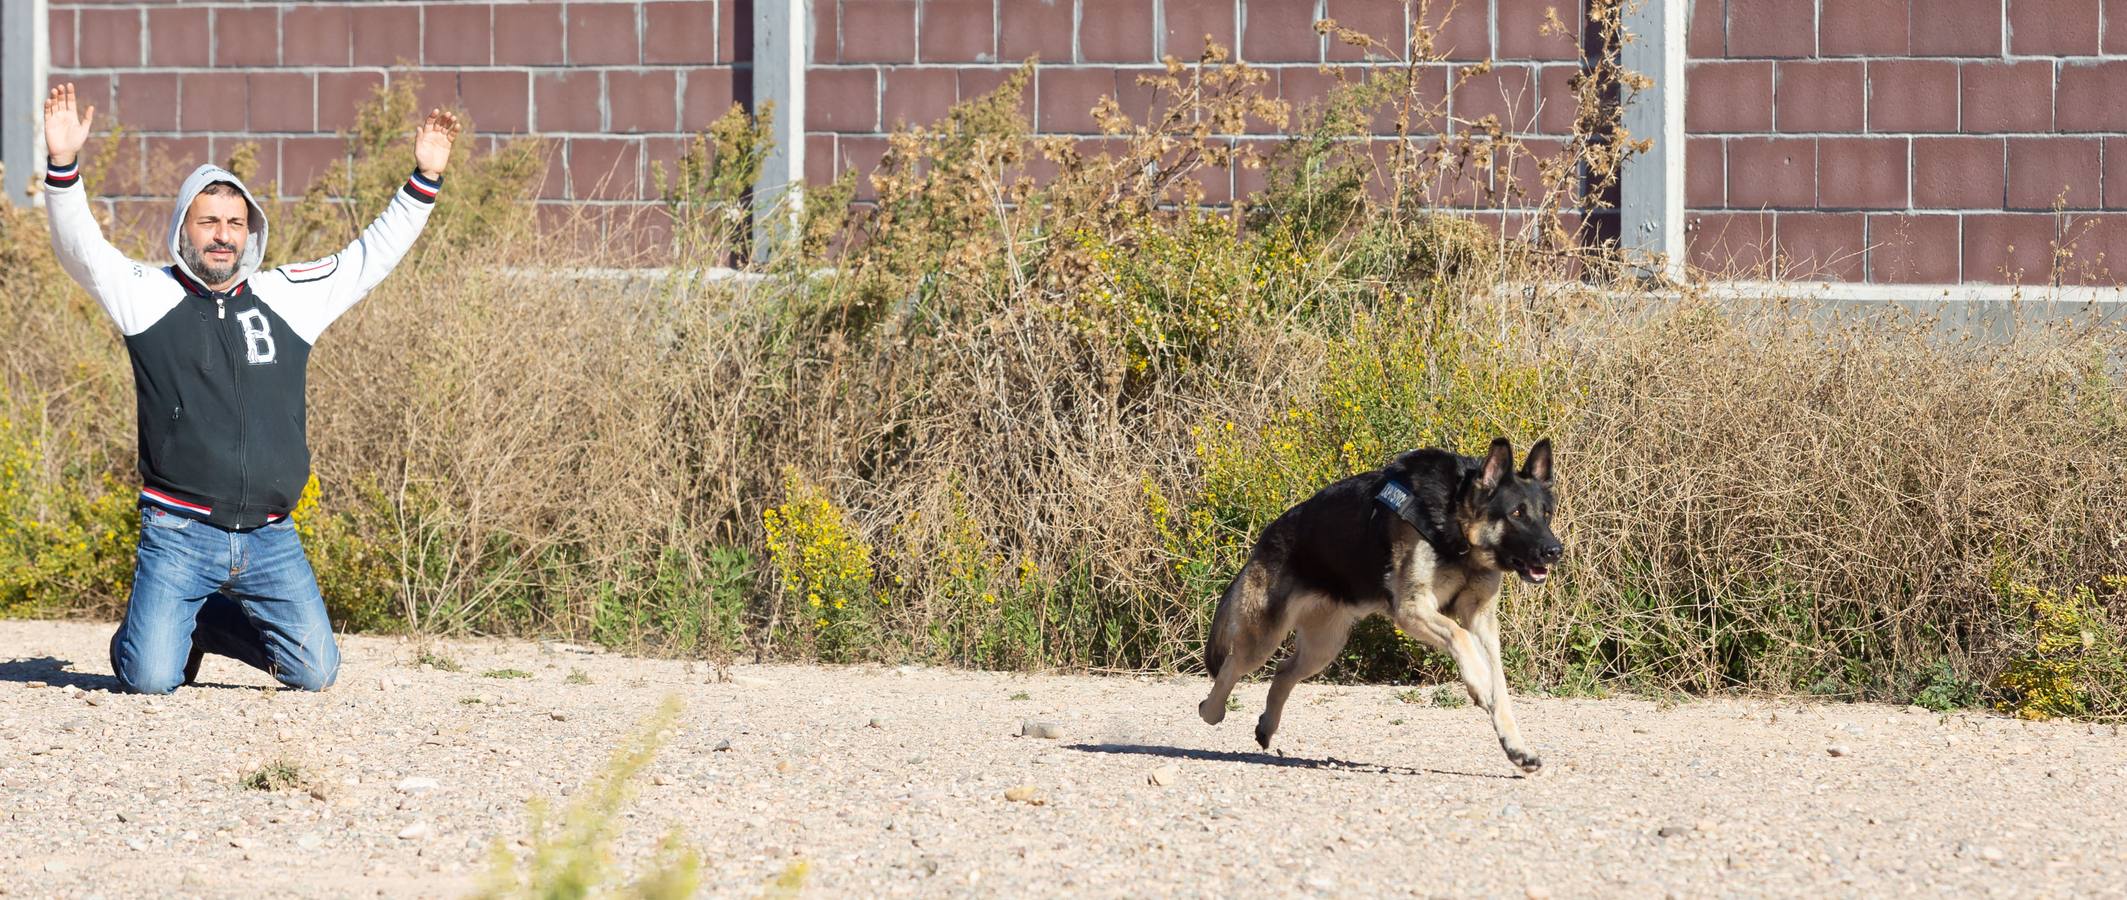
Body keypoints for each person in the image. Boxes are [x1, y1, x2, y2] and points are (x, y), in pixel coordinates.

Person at [39, 83, 461, 693]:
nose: (222, 235)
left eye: (235, 223)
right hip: (179, 534)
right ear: (184, 227)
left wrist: (423, 179)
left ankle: (202, 623)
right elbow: (80, 250)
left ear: (250, 232)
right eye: (208, 221)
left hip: (270, 535)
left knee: (315, 673)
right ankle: (158, 631)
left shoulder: (288, 295)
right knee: (150, 680)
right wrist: (63, 167)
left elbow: (371, 256)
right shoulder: (147, 295)